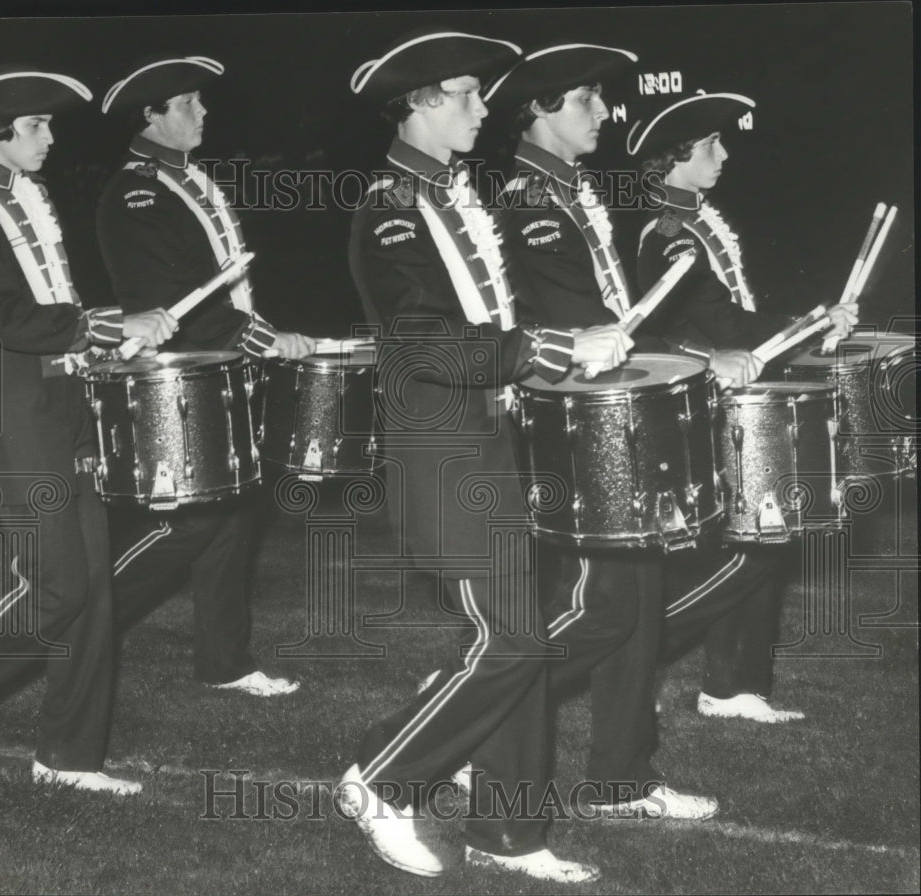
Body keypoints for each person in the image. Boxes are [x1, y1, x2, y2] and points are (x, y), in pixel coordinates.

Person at [339, 29, 641, 884]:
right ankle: (381, 777)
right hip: (439, 446)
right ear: (421, 101)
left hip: (489, 438)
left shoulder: (447, 193)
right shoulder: (392, 206)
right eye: (468, 95)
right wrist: (543, 349)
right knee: (512, 639)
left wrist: (553, 348)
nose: (483, 108)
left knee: (524, 639)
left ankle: (510, 833)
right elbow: (426, 343)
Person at [0, 66, 176, 792]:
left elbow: (53, 309)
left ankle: (69, 758)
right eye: (37, 126)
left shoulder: (29, 194)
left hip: (67, 406)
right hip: (20, 414)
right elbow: (8, 318)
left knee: (95, 588)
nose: (50, 136)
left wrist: (105, 341)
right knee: (58, 589)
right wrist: (105, 323)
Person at [487, 43, 718, 819]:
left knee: (639, 596)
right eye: (586, 99)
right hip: (571, 420)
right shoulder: (526, 197)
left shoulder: (568, 188)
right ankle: (471, 717)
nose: (602, 112)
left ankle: (621, 775)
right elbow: (568, 319)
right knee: (610, 602)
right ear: (541, 111)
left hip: (600, 410)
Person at [630, 91, 858, 721]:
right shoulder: (669, 232)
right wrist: (808, 324)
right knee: (738, 547)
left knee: (764, 533)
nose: (725, 153)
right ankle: (638, 654)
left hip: (735, 396)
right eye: (711, 145)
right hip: (705, 401)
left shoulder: (698, 220)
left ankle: (733, 686)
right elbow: (710, 321)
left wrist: (811, 325)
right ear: (674, 160)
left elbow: (734, 314)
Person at [96, 56, 315, 697]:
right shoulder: (137, 191)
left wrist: (258, 335)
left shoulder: (188, 180)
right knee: (189, 522)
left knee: (234, 514)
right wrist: (262, 339)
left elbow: (227, 290)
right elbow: (174, 295)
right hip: (180, 376)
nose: (202, 112)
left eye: (198, 102)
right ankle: (82, 616)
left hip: (223, 365)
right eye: (187, 104)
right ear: (151, 116)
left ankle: (225, 660)